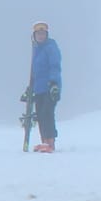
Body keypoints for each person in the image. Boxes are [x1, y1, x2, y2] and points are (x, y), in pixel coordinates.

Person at [28, 21, 62, 152]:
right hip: (39, 88)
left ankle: (50, 142)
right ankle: (44, 141)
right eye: (38, 34)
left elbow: (55, 65)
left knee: (47, 113)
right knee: (40, 114)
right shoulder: (36, 49)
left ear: (46, 35)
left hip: (50, 87)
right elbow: (35, 72)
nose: (41, 36)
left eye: (43, 34)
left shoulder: (50, 47)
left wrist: (54, 82)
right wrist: (30, 88)